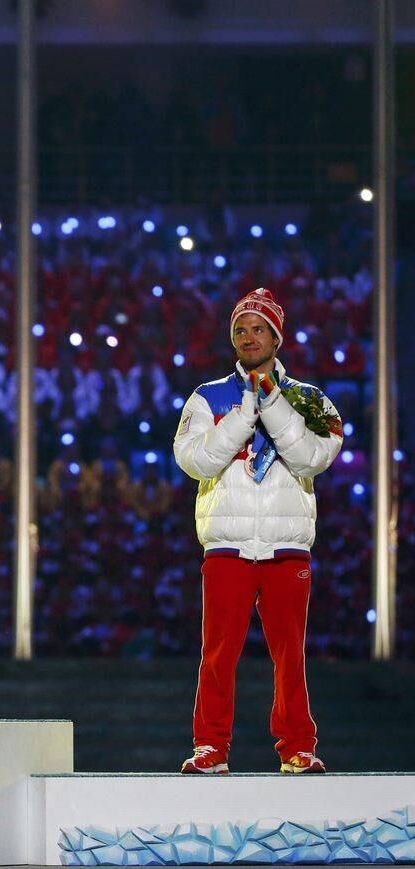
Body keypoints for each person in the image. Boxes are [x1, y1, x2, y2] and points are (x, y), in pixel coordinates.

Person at [173, 288, 342, 774]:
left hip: (287, 547)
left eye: (258, 328)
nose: (249, 337)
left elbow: (314, 456)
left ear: (276, 337)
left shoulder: (310, 399)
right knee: (218, 652)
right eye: (240, 330)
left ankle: (297, 747)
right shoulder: (207, 397)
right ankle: (210, 748)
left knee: (290, 655)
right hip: (227, 544)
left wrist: (271, 403)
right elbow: (194, 459)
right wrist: (246, 411)